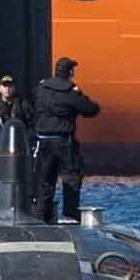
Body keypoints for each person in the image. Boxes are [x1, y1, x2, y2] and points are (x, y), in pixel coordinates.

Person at [33, 56, 100, 224]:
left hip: (43, 140)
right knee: (72, 175)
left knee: (45, 178)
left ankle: (42, 214)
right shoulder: (69, 92)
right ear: (70, 72)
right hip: (63, 140)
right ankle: (70, 210)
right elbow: (90, 109)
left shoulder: (41, 89)